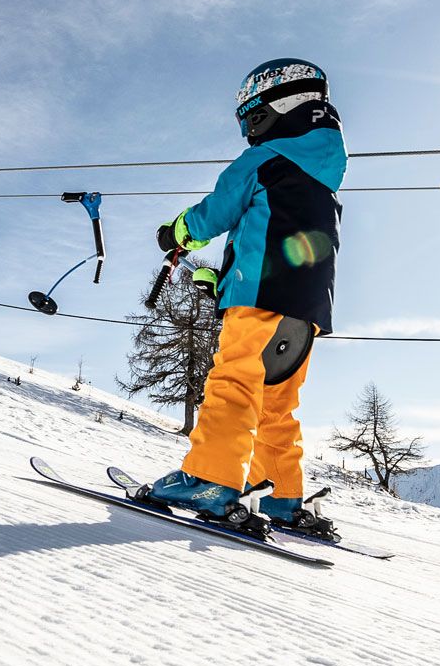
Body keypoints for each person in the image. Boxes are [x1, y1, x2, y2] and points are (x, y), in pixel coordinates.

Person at [142, 58, 346, 536]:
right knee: (276, 403)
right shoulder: (321, 178)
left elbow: (216, 213)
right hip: (305, 313)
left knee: (234, 382)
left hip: (261, 300)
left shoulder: (263, 160)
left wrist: (177, 233)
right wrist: (221, 285)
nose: (247, 133)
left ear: (270, 109)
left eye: (249, 119)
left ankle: (209, 479)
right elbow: (275, 246)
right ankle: (281, 496)